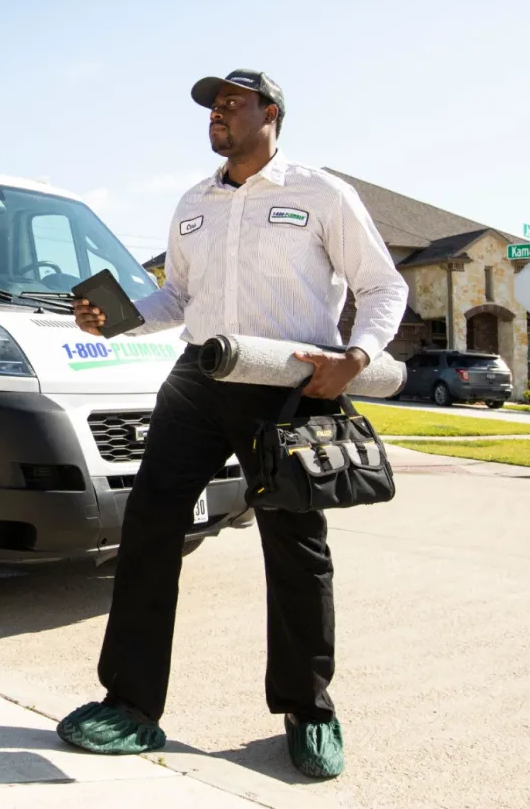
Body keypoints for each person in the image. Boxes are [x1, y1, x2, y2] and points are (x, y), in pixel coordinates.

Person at [56, 69, 408, 779]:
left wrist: (358, 355)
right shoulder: (195, 202)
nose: (217, 113)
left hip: (287, 387)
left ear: (270, 113)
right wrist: (117, 320)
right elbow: (178, 296)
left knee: (295, 545)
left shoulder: (321, 194)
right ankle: (129, 705)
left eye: (231, 103)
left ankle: (309, 711)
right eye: (212, 105)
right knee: (150, 526)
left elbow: (383, 286)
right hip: (200, 377)